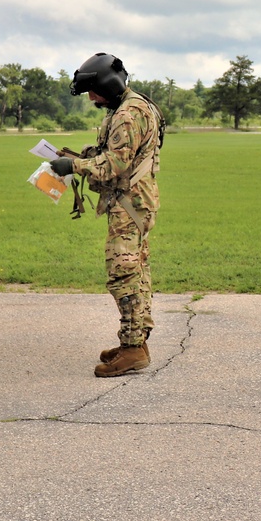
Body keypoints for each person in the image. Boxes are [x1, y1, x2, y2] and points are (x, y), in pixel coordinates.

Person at [49, 53, 163, 377]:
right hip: (136, 203)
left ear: (107, 85)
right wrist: (83, 156)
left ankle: (132, 349)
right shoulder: (132, 106)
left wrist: (74, 166)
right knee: (137, 273)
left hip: (130, 206)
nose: (92, 99)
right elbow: (114, 154)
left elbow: (114, 165)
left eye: (93, 91)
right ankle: (135, 342)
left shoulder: (128, 114)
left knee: (123, 276)